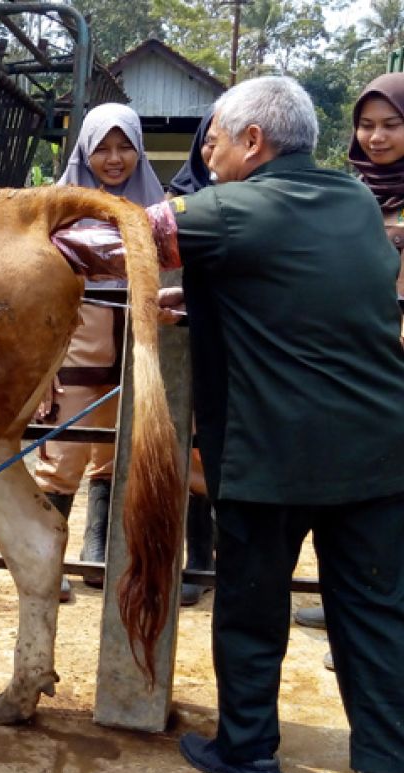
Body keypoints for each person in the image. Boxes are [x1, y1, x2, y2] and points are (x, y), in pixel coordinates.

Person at [154, 76, 404, 773]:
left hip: (274, 458)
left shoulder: (227, 208)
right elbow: (299, 290)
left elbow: (114, 238)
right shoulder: (356, 200)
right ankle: (388, 762)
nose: (207, 154)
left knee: (252, 606)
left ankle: (250, 754)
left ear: (253, 142)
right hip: (379, 453)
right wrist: (203, 299)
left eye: (215, 141)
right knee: (376, 610)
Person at [293, 72, 404, 671]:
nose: (377, 136)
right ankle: (339, 612)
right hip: (357, 355)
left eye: (391, 125)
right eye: (367, 125)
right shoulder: (350, 190)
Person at [36, 102, 165, 602]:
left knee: (112, 455)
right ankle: (46, 559)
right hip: (76, 352)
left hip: (134, 353)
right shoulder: (58, 209)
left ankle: (98, 549)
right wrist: (44, 363)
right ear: (86, 152)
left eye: (124, 147)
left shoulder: (158, 207)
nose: (114, 159)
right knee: (62, 455)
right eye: (102, 148)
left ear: (139, 149)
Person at [165, 111, 219, 607]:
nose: (210, 152)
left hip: (222, 342)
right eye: (207, 141)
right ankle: (181, 556)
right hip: (177, 339)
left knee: (203, 451)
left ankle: (202, 558)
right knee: (176, 448)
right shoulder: (175, 199)